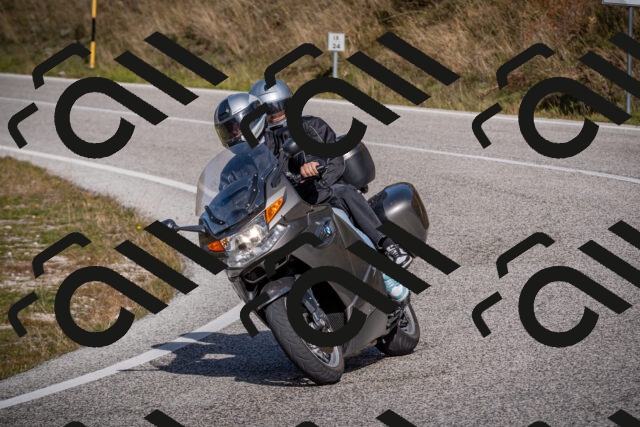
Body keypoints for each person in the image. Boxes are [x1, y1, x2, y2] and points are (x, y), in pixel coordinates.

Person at [249, 79, 412, 302]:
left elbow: (334, 158)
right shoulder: (259, 146)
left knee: (342, 191)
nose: (275, 114)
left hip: (321, 194)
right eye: (268, 109)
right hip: (287, 207)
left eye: (279, 107)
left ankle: (387, 247)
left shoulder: (310, 126)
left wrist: (316, 169)